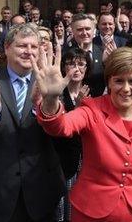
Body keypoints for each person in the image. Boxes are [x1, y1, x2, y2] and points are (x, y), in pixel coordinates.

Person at [36, 47, 132, 222]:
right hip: (91, 213)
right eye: (118, 81)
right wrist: (50, 100)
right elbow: (60, 126)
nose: (125, 88)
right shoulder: (91, 109)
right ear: (108, 82)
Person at [0, 24, 65, 222]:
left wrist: (47, 104)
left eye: (34, 47)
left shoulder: (50, 82)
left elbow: (62, 137)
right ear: (7, 48)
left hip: (41, 192)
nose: (29, 51)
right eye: (22, 46)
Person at [51, 48, 90, 222]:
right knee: (63, 210)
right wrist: (79, 107)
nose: (76, 68)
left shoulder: (93, 92)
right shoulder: (57, 93)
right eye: (71, 63)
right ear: (64, 67)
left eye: (81, 64)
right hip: (63, 162)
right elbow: (60, 127)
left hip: (88, 161)